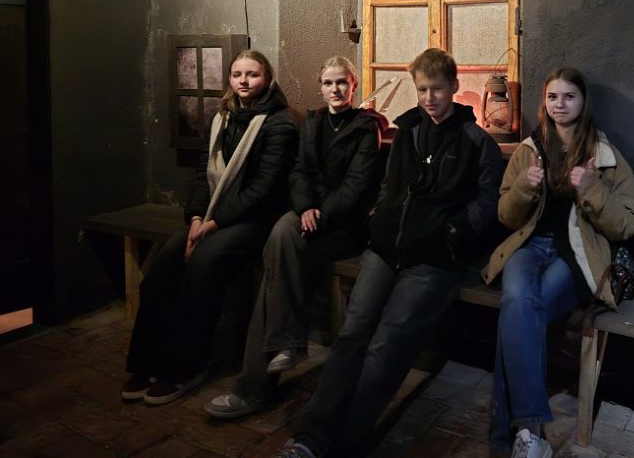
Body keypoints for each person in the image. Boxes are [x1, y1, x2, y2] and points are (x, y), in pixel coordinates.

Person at [271, 48, 504, 458]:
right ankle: (311, 436)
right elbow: (388, 187)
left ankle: (344, 442)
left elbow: (487, 202)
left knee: (389, 341)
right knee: (352, 333)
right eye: (422, 90)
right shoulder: (409, 131)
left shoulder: (475, 141)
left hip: (435, 258)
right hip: (386, 248)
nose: (429, 98)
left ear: (453, 87)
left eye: (437, 89)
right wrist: (381, 218)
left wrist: (453, 232)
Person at [204, 56, 388, 419]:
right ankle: (284, 347)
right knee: (280, 234)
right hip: (308, 216)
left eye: (342, 82)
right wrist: (305, 207)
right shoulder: (313, 121)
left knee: (276, 268)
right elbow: (299, 171)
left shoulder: (366, 127)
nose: (335, 89)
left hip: (343, 226)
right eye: (328, 83)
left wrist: (320, 213)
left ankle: (256, 383)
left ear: (353, 85)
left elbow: (355, 187)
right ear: (321, 86)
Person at [122, 49, 298, 406]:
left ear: (267, 79)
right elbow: (203, 176)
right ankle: (146, 362)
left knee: (203, 266)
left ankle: (186, 367)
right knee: (162, 270)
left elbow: (264, 189)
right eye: (237, 74)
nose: (244, 81)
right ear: (230, 79)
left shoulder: (280, 123)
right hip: (213, 216)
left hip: (256, 220)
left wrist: (212, 225)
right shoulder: (221, 118)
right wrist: (196, 219)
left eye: (252, 74)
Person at [482, 67, 634, 458]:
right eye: (553, 97)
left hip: (576, 254)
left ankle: (513, 435)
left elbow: (627, 225)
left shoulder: (605, 155)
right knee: (518, 302)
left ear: (583, 102)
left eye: (569, 96)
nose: (560, 105)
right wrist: (522, 188)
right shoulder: (528, 149)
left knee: (520, 312)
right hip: (528, 247)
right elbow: (505, 216)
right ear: (544, 102)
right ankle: (530, 432)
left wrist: (592, 187)